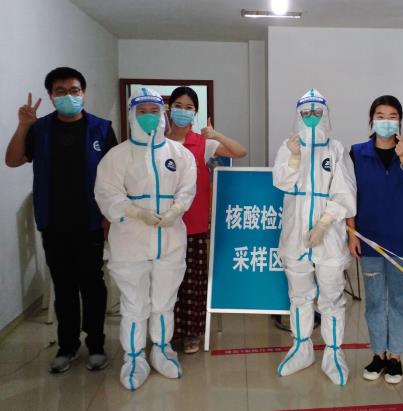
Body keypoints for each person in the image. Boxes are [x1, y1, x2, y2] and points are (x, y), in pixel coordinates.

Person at [5, 67, 116, 374]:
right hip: (54, 222)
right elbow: (12, 160)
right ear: (51, 96)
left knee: (92, 285)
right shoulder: (39, 129)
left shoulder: (101, 129)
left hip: (91, 222)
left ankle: (96, 344)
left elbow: (114, 176)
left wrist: (109, 218)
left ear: (84, 93)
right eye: (61, 91)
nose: (69, 96)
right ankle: (67, 346)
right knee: (64, 286)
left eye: (74, 90)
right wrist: (23, 126)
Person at [94, 87, 197, 391]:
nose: (149, 117)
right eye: (142, 112)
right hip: (130, 240)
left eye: (154, 111)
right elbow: (106, 193)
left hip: (170, 238)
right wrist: (134, 211)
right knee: (134, 303)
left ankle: (162, 350)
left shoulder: (180, 154)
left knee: (164, 301)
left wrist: (177, 208)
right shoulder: (117, 156)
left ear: (163, 115)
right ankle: (134, 356)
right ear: (132, 115)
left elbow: (187, 187)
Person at [273, 88, 356, 385]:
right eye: (305, 112)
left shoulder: (336, 149)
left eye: (316, 112)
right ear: (298, 115)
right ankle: (301, 347)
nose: (311, 117)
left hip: (328, 235)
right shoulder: (288, 146)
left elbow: (346, 192)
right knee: (299, 295)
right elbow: (281, 181)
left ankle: (333, 352)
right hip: (295, 235)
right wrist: (295, 158)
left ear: (325, 114)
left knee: (331, 296)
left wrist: (323, 223)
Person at [347, 95, 403, 384]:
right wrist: (351, 233)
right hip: (369, 238)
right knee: (374, 301)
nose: (386, 121)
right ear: (371, 120)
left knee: (398, 299)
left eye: (392, 116)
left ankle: (395, 356)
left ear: (400, 121)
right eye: (380, 116)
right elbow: (348, 196)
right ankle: (378, 354)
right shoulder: (357, 153)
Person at [166, 86, 247, 354]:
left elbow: (240, 152)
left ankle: (192, 333)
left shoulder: (203, 143)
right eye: (178, 106)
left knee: (193, 283)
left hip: (195, 224)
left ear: (195, 113)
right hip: (163, 226)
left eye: (189, 108)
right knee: (166, 281)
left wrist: (216, 134)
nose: (183, 111)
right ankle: (167, 332)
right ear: (169, 109)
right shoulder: (158, 142)